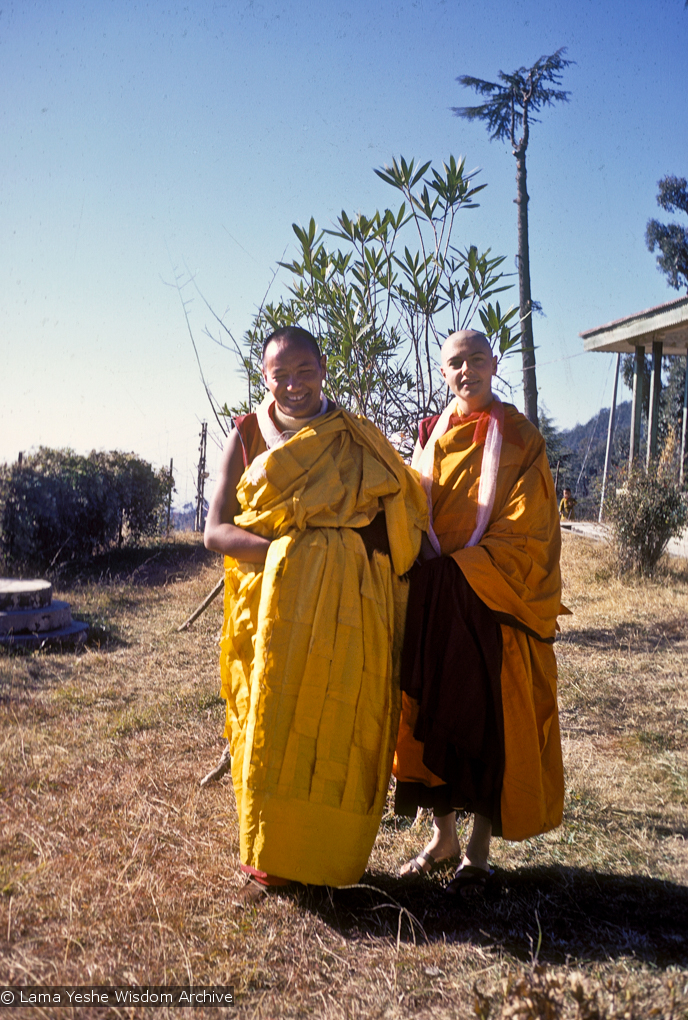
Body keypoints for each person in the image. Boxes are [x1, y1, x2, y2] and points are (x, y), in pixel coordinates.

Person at [204, 326, 427, 902]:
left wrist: (346, 558)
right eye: (281, 374)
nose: (294, 385)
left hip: (349, 611)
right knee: (268, 725)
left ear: (324, 368)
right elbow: (215, 531)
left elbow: (400, 515)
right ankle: (269, 860)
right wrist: (289, 556)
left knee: (341, 727)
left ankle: (332, 858)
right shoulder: (248, 435)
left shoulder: (357, 439)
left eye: (305, 371)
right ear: (264, 377)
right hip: (270, 610)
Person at [394, 329, 564, 895]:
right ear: (444, 374)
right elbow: (412, 508)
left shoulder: (521, 437)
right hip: (435, 591)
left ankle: (479, 851)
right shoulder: (432, 434)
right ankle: (443, 837)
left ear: (494, 364)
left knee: (489, 720)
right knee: (429, 712)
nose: (464, 371)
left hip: (488, 599)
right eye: (453, 364)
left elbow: (530, 529)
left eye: (474, 359)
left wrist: (466, 571)